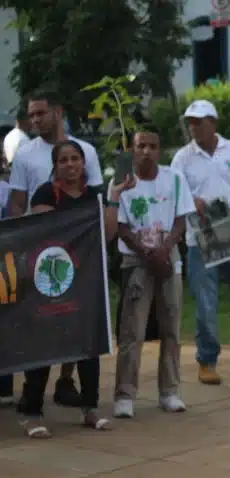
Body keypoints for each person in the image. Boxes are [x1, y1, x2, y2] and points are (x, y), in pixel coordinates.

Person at [17, 139, 135, 438]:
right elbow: (44, 231)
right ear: (55, 166)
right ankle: (31, 412)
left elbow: (106, 234)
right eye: (63, 160)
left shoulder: (93, 196)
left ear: (84, 163)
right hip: (50, 283)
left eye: (75, 159)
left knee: (88, 343)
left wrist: (113, 199)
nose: (70, 164)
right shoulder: (46, 193)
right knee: (45, 345)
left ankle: (90, 408)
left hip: (84, 282)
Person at [8, 90, 103, 408]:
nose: (34, 120)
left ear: (58, 112)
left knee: (77, 316)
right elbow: (17, 204)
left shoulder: (86, 151)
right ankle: (33, 392)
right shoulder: (23, 155)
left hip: (80, 252)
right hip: (38, 251)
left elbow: (94, 202)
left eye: (40, 113)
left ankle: (66, 380)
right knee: (42, 320)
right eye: (31, 115)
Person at [170, 100, 230, 385]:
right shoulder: (182, 158)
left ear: (214, 122)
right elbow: (173, 195)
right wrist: (191, 200)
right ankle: (207, 360)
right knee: (206, 303)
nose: (193, 127)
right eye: (190, 121)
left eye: (199, 121)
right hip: (201, 237)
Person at [113, 129, 195, 419]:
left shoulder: (174, 178)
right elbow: (120, 226)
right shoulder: (123, 182)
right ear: (132, 150)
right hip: (136, 258)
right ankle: (124, 394)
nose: (146, 151)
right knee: (131, 330)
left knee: (171, 327)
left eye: (152, 146)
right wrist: (146, 253)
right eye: (141, 146)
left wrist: (165, 249)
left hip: (168, 256)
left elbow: (180, 218)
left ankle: (170, 391)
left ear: (160, 150)